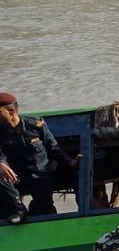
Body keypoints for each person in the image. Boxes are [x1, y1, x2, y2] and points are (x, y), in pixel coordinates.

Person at [0, 91, 79, 224]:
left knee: (43, 209)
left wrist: (70, 162)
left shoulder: (35, 125)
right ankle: (18, 207)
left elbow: (53, 147)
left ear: (12, 111)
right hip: (17, 177)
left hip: (41, 175)